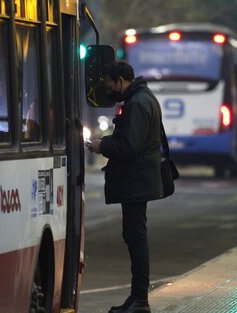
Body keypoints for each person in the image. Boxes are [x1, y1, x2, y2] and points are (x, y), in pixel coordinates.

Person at [89, 60, 163, 313]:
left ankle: (140, 299)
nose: (109, 90)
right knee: (133, 236)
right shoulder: (140, 99)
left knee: (136, 237)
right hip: (136, 179)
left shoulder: (138, 102)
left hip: (136, 180)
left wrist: (103, 146)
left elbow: (130, 145)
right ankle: (136, 297)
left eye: (110, 85)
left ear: (120, 81)